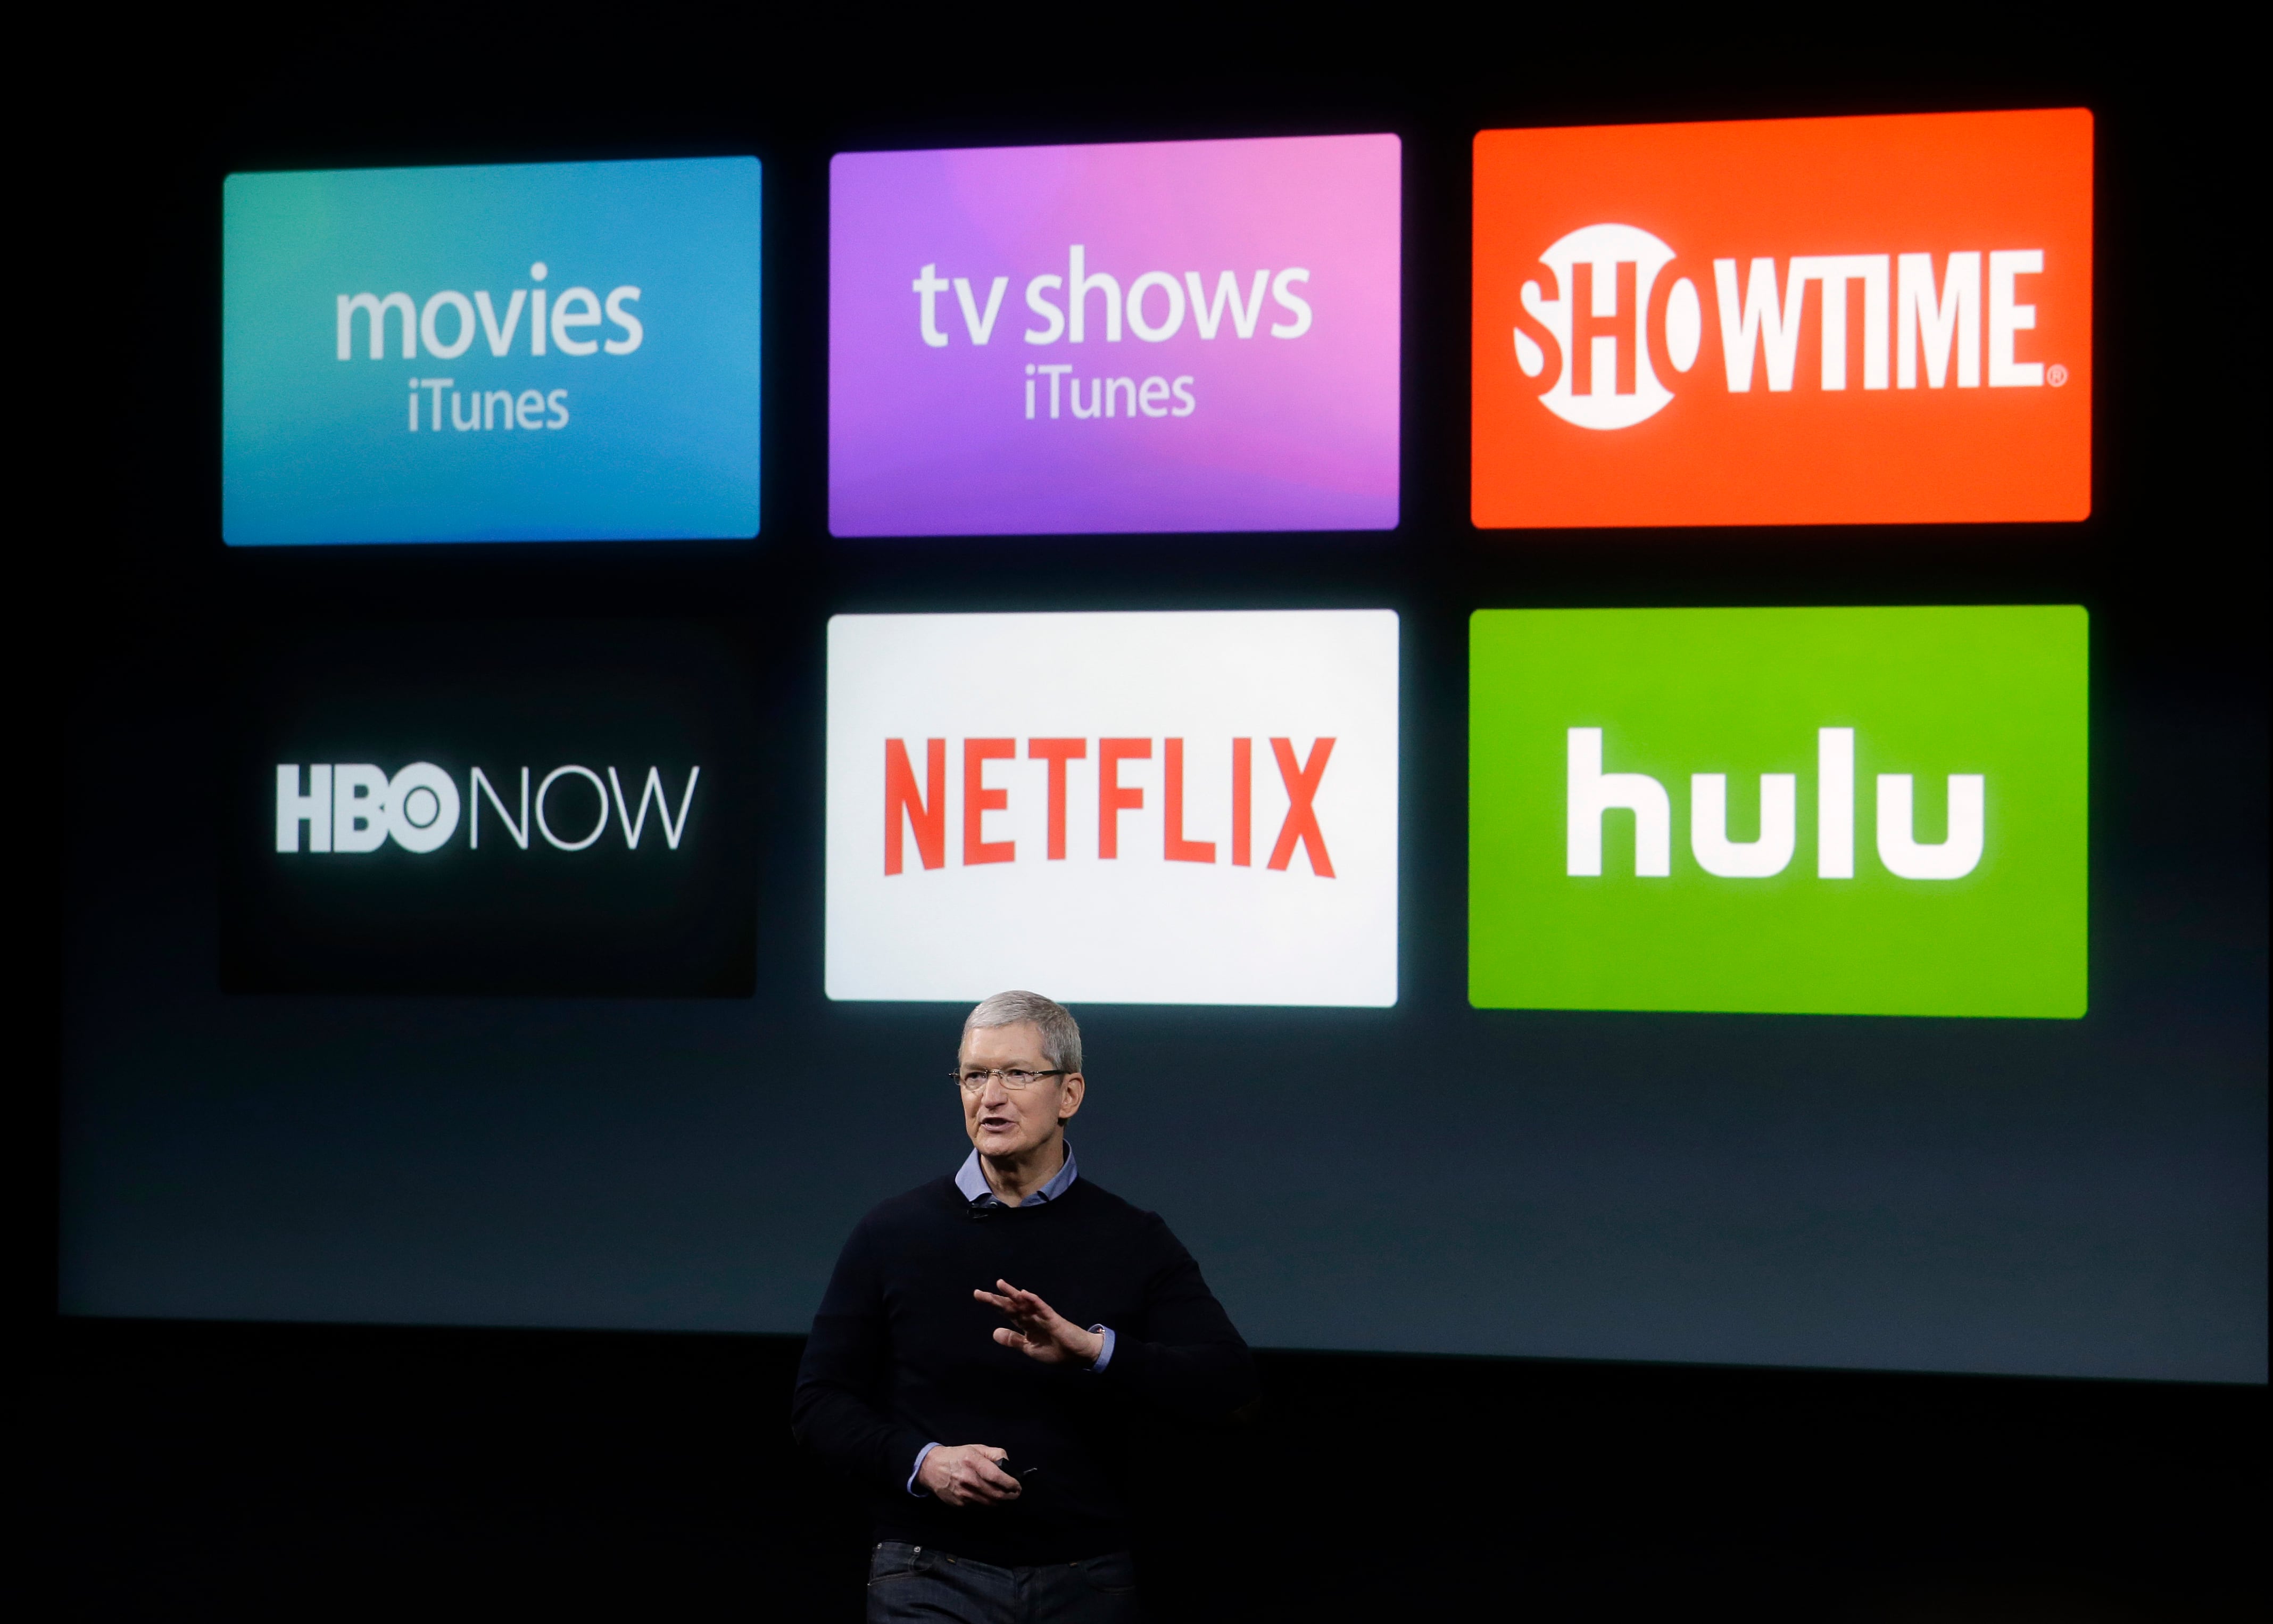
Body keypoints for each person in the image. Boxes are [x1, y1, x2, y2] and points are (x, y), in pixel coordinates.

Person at [792, 990, 1256, 1622]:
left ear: (1070, 1094)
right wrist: (925, 1463)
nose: (991, 1096)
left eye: (1016, 1073)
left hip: (1086, 1577)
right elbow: (819, 1402)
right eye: (974, 1076)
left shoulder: (1133, 1238)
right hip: (928, 1568)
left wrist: (1093, 1350)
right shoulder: (892, 1232)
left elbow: (1229, 1382)